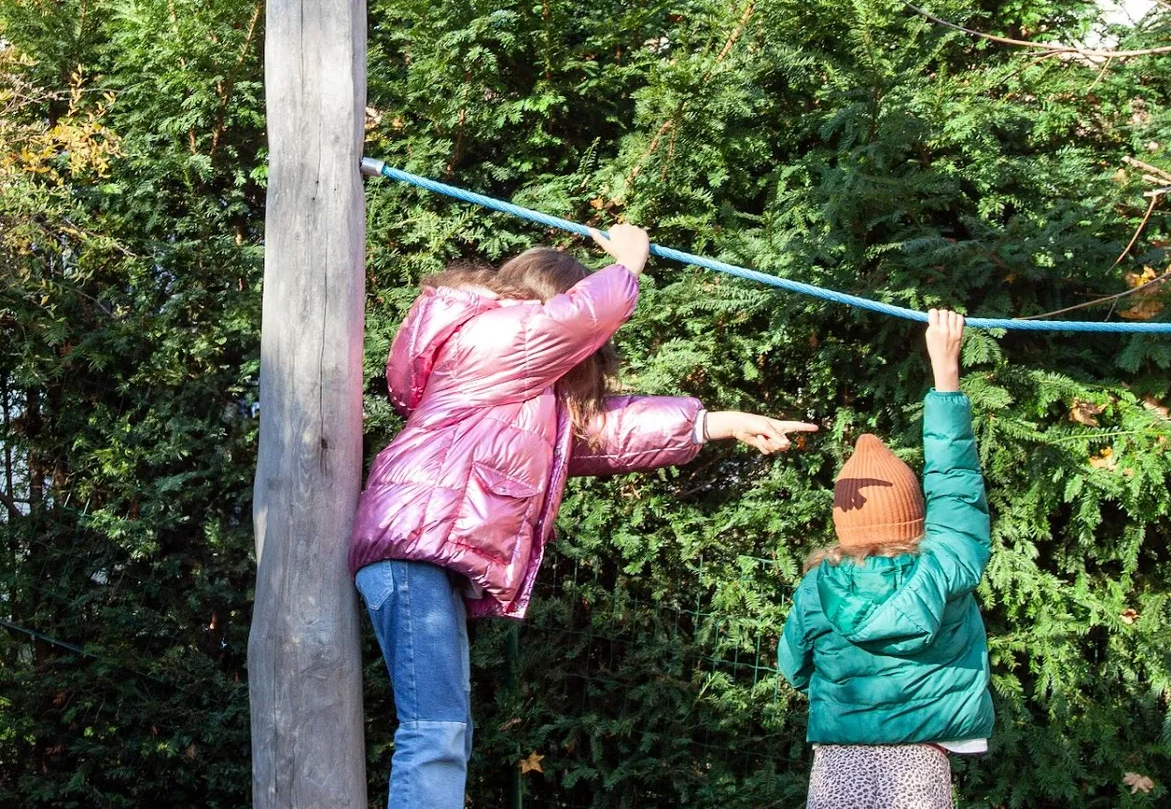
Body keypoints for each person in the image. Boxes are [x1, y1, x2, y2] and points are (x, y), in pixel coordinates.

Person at [352, 223, 817, 808]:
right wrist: (625, 268)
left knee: (446, 727)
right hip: (413, 544)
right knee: (436, 729)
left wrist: (719, 422)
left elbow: (604, 431)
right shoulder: (488, 335)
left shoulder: (525, 392)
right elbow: (565, 324)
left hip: (425, 551)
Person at [777, 309, 993, 809]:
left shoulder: (817, 585)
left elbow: (794, 667)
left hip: (838, 757)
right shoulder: (945, 564)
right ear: (915, 518)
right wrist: (946, 370)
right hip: (921, 761)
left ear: (843, 523)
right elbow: (955, 484)